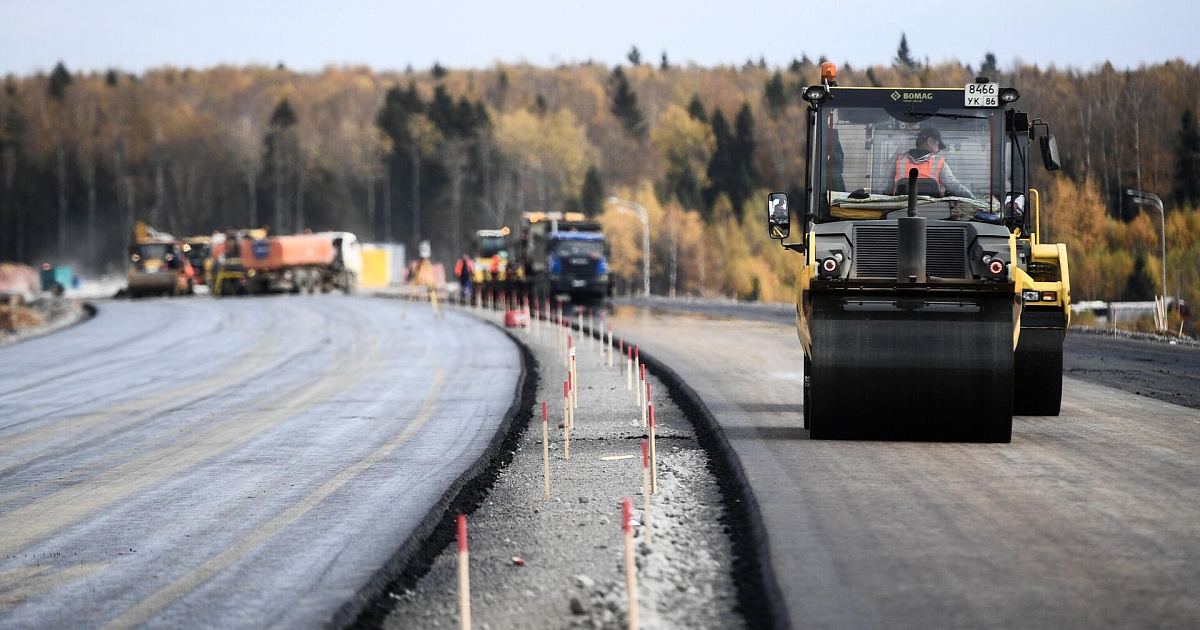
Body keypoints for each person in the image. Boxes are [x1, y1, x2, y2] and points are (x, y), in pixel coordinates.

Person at [892, 127, 973, 198]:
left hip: (900, 213)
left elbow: (886, 189)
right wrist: (975, 200)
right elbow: (955, 187)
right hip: (934, 212)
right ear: (930, 141)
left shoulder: (899, 160)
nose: (938, 151)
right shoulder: (939, 164)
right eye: (938, 146)